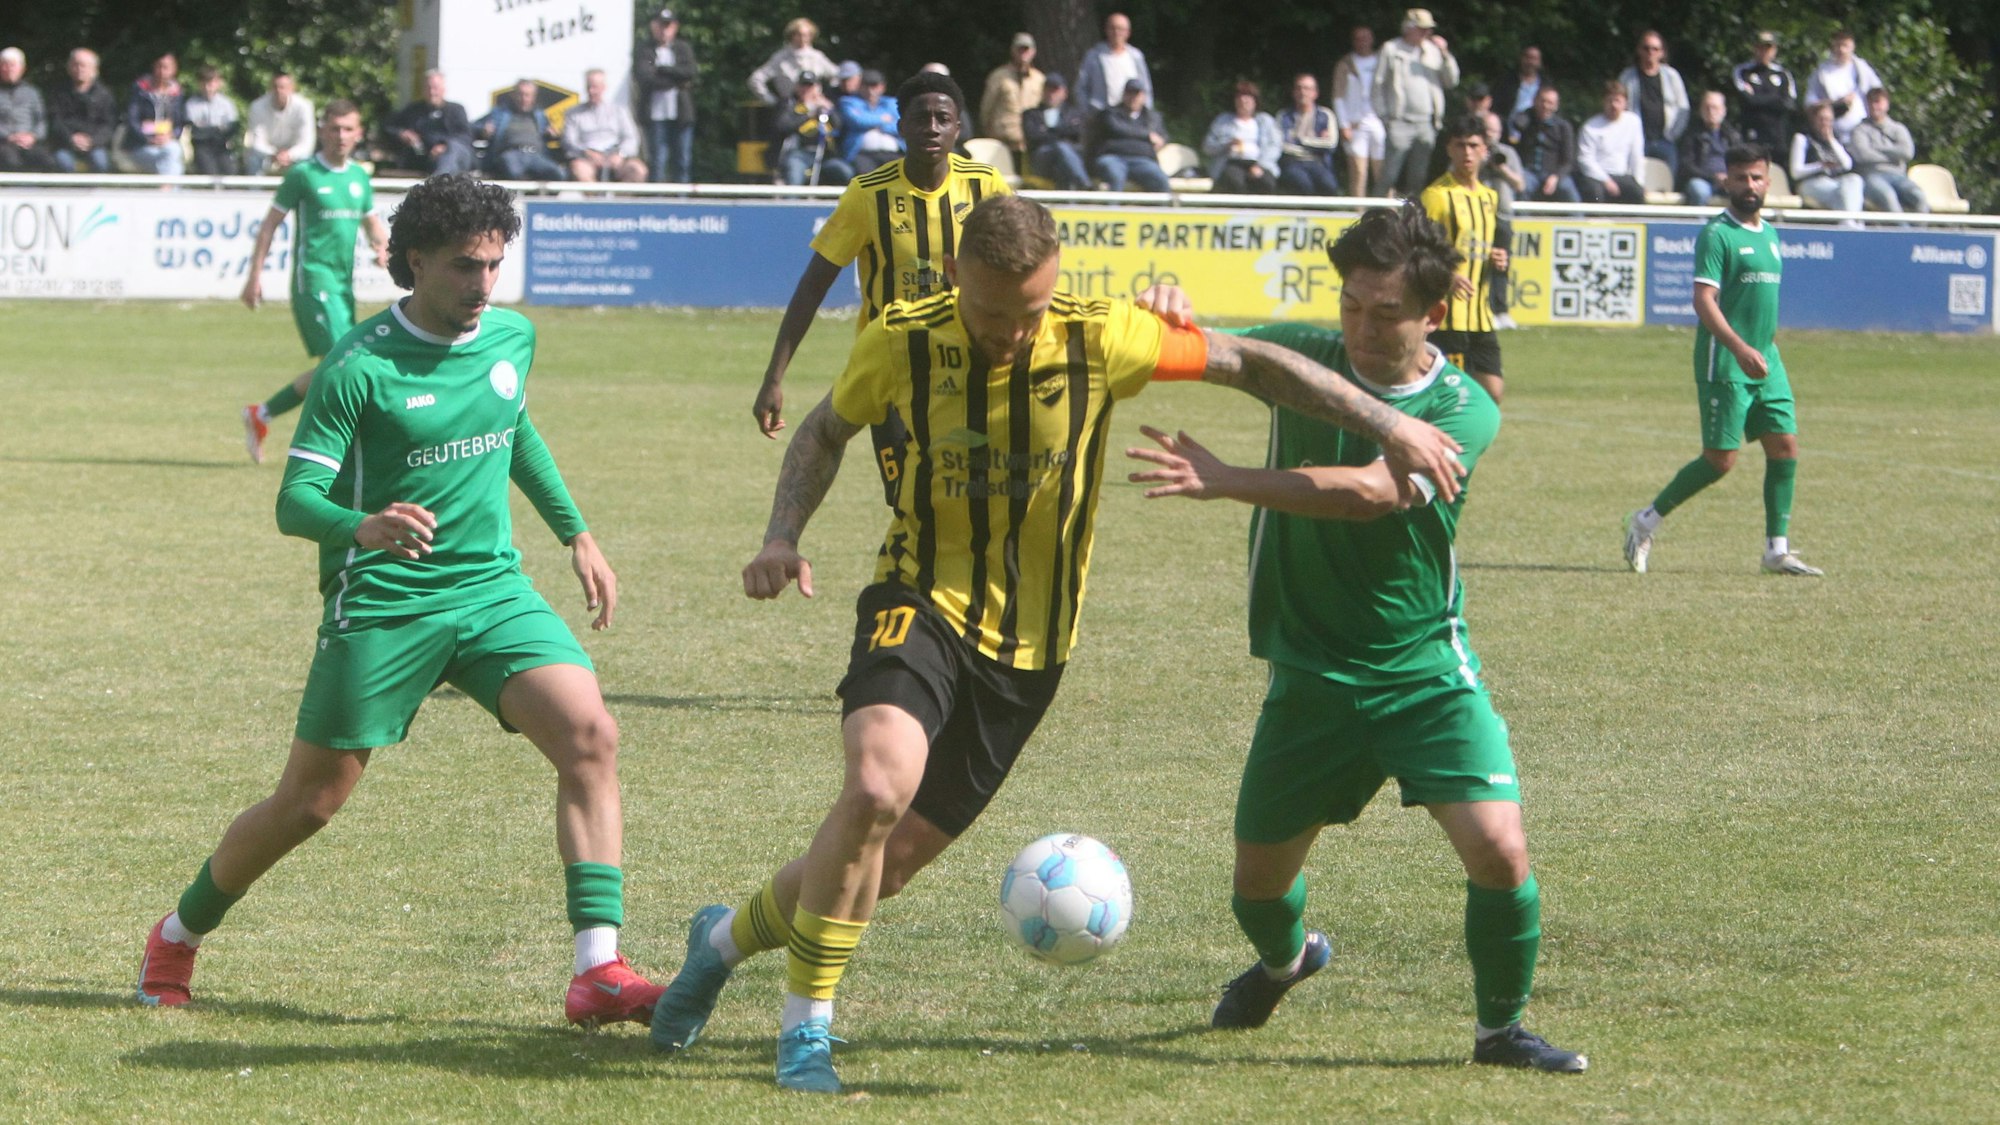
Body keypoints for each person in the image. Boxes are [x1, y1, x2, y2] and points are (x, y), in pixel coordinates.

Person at [650, 194, 1470, 1093]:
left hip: (1030, 651)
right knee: (876, 784)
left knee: (876, 869)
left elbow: (1250, 363)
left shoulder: (1099, 336)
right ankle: (806, 1029)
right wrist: (781, 535)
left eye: (1031, 310)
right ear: (957, 276)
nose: (1011, 332)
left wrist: (1389, 423)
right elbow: (823, 430)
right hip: (917, 596)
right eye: (993, 312)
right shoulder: (900, 337)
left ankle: (720, 943)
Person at [138, 173, 665, 1028]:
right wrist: (364, 525)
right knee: (309, 803)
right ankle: (177, 932)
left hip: (491, 589)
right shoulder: (359, 365)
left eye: (495, 265)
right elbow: (293, 505)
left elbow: (512, 424)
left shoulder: (510, 337)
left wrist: (577, 531)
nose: (483, 284)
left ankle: (597, 968)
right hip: (384, 600)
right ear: (412, 260)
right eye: (464, 266)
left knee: (591, 735)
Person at [1122, 202, 1584, 1076]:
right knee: (1256, 884)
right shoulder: (1316, 357)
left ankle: (1500, 1031)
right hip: (1309, 675)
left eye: (1386, 314)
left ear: (1434, 314)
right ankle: (1286, 960)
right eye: (1350, 307)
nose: (1362, 330)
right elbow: (1222, 352)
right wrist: (1167, 310)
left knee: (1500, 846)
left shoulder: (1462, 407)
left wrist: (1229, 480)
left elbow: (1370, 491)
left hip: (1424, 673)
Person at [751, 69, 1005, 481]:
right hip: (891, 367)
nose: (932, 127)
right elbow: (813, 286)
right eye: (921, 118)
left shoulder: (984, 185)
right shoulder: (869, 195)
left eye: (943, 119)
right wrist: (773, 378)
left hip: (967, 365)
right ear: (900, 126)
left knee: (966, 494)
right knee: (906, 495)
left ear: (958, 128)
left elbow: (1020, 264)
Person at [1624, 146, 1823, 578]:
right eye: (1740, 178)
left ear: (1768, 182)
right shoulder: (1717, 235)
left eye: (1756, 178)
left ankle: (1776, 550)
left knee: (1785, 447)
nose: (1748, 186)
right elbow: (1703, 300)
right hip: (1727, 361)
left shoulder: (1770, 234)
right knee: (1720, 460)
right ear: (1726, 182)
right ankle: (1645, 522)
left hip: (1766, 360)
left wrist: (1763, 347)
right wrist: (1739, 347)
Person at [238, 101, 390, 464]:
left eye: (348, 129)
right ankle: (343, 448)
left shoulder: (358, 178)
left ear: (358, 133)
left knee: (335, 367)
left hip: (343, 284)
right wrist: (254, 276)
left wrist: (383, 249)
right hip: (313, 280)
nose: (341, 136)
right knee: (348, 362)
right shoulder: (303, 174)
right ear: (322, 130)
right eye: (334, 128)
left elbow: (373, 226)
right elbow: (269, 225)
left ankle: (262, 414)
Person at [1421, 116, 1505, 402]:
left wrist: (1494, 256)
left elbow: (1476, 244)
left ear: (1485, 150)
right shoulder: (1436, 196)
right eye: (1460, 146)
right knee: (1453, 396)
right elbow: (1419, 249)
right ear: (1449, 149)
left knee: (1493, 392)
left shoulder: (1489, 197)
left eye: (1473, 145)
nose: (1467, 153)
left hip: (1481, 315)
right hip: (1448, 317)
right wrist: (1448, 275)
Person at [1373, 8, 1459, 199]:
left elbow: (1451, 81)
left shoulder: (1434, 51)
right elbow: (1377, 85)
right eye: (1422, 29)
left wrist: (1445, 53)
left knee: (1418, 176)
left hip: (1426, 123)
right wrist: (1385, 117)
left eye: (1428, 29)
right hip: (1399, 121)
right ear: (1408, 28)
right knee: (1388, 175)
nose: (1427, 33)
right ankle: (1373, 215)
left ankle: (1411, 220)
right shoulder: (1391, 49)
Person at [632, 8, 698, 183]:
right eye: (660, 26)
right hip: (654, 115)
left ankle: (682, 201)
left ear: (674, 27)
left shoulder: (683, 48)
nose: (664, 30)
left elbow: (690, 72)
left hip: (680, 113)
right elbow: (645, 78)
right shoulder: (644, 50)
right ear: (653, 27)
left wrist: (662, 70)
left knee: (683, 160)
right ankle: (657, 201)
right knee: (657, 160)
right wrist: (676, 82)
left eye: (667, 26)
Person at [1617, 30, 1689, 177]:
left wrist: (1672, 135)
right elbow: (1620, 106)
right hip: (1637, 140)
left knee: (1666, 185)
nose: (1650, 52)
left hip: (1665, 140)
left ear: (1662, 53)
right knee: (1637, 183)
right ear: (1639, 50)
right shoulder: (1627, 76)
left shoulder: (1672, 76)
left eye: (1655, 49)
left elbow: (1684, 108)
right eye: (1646, 48)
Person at [1848, 87, 1928, 214]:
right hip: (1871, 177)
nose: (1874, 106)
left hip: (1898, 176)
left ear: (1887, 104)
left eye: (1878, 102)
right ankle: (1903, 233)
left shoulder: (1898, 129)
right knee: (1888, 197)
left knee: (1919, 197)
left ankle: (1920, 233)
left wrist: (1876, 149)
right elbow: (1863, 156)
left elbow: (1907, 153)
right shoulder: (1859, 130)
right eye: (1871, 102)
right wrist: (1894, 155)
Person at [1478, 111, 1523, 329]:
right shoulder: (1474, 152)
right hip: (1479, 217)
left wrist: (1502, 168)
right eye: (1488, 131)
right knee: (1480, 265)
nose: (1491, 136)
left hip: (1503, 216)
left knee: (1502, 265)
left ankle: (1501, 310)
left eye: (1495, 131)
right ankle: (1483, 310)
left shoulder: (1508, 153)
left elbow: (1520, 184)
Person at [385, 69, 475, 176]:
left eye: (435, 88)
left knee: (451, 153)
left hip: (454, 155)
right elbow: (388, 127)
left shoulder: (456, 110)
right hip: (425, 157)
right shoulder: (414, 110)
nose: (432, 92)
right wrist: (402, 134)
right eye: (428, 88)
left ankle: (438, 182)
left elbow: (465, 137)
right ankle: (439, 183)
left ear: (443, 89)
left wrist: (445, 146)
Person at [565, 68, 646, 184]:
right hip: (587, 158)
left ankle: (621, 201)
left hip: (616, 156)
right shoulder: (574, 113)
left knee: (638, 170)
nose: (592, 91)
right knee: (579, 170)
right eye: (589, 87)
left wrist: (620, 154)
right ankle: (594, 202)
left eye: (595, 87)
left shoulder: (619, 111)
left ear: (604, 88)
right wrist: (586, 152)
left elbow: (631, 138)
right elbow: (569, 141)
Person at [768, 71, 849, 186]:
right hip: (798, 153)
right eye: (803, 86)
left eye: (810, 86)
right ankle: (791, 202)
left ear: (818, 88)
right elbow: (783, 126)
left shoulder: (825, 106)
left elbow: (838, 126)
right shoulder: (789, 104)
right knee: (794, 175)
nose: (806, 90)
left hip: (824, 155)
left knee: (845, 172)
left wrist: (829, 109)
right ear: (797, 87)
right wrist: (809, 110)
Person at [1088, 78, 1170, 192]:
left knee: (1160, 179)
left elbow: (1163, 136)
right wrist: (1148, 135)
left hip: (1143, 161)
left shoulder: (1152, 118)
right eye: (1129, 93)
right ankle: (1113, 209)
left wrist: (1162, 141)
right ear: (1124, 95)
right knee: (1115, 175)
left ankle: (1160, 209)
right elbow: (1118, 129)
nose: (1133, 98)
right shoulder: (1110, 114)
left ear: (1143, 97)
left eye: (1136, 94)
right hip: (1113, 158)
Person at [476, 79, 566, 182]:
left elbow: (553, 134)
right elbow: (473, 127)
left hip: (536, 156)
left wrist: (553, 134)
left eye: (527, 95)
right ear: (514, 95)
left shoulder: (540, 115)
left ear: (533, 97)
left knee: (557, 174)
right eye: (520, 94)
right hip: (511, 154)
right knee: (513, 171)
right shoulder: (499, 113)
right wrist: (484, 130)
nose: (523, 99)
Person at [1332, 25, 1385, 196]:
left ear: (1372, 39)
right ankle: (1358, 214)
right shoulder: (1345, 64)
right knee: (1358, 172)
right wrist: (1343, 124)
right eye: (1358, 38)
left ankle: (1390, 214)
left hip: (1379, 121)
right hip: (1355, 124)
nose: (1362, 42)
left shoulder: (1382, 61)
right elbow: (1338, 96)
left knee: (1383, 172)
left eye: (1366, 38)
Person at [1202, 80, 1281, 194]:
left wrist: (1260, 166)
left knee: (1266, 182)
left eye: (1248, 97)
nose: (1243, 101)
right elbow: (1207, 147)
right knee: (1234, 181)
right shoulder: (1222, 120)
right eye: (1239, 97)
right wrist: (1226, 145)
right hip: (1231, 162)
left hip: (1258, 162)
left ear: (1255, 101)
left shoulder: (1265, 121)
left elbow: (1274, 146)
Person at [1806, 30, 1881, 147]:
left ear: (1852, 47)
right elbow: (1810, 104)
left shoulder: (1862, 69)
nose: (1841, 50)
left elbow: (1879, 95)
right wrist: (1836, 103)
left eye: (1845, 45)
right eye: (1838, 45)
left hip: (1862, 130)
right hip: (1833, 131)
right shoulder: (1822, 72)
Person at [49, 48, 118, 174]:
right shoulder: (58, 92)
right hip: (65, 144)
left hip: (94, 144)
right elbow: (55, 121)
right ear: (69, 68)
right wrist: (71, 138)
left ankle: (96, 193)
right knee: (64, 164)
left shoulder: (104, 95)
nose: (79, 69)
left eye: (84, 65)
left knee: (100, 163)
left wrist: (92, 141)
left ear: (94, 70)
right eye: (75, 65)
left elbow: (109, 125)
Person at [1576, 82, 1645, 205]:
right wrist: (1606, 180)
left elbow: (1636, 156)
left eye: (1618, 101)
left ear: (1625, 103)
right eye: (1610, 101)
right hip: (1596, 177)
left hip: (1622, 175)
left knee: (1637, 192)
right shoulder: (1590, 127)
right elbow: (1585, 160)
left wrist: (1639, 182)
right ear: (1603, 102)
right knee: (1595, 194)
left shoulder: (1634, 122)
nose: (1614, 105)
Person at [1789, 100, 1862, 214]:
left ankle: (1848, 224)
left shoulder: (1833, 140)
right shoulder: (1802, 139)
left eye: (1829, 120)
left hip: (1833, 182)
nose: (1825, 123)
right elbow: (1795, 172)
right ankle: (1853, 226)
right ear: (1813, 120)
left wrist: (1831, 140)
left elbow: (1847, 165)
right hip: (1810, 183)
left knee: (1855, 180)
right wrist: (1821, 166)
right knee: (1843, 194)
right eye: (1821, 119)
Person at [978, 32, 1043, 162]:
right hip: (1003, 142)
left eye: (1026, 49)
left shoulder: (1039, 79)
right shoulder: (998, 76)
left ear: (1033, 52)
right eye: (1019, 49)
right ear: (1012, 51)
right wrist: (987, 131)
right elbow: (986, 108)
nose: (1023, 53)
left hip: (1029, 143)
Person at [1732, 30, 1796, 156]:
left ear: (1774, 50)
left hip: (1777, 135)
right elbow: (1747, 100)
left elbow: (1788, 104)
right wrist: (1776, 98)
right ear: (1754, 48)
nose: (1763, 52)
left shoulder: (1783, 74)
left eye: (1768, 47)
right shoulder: (1742, 71)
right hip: (1752, 133)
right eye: (1760, 47)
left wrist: (1757, 97)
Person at [1075, 12, 1152, 115]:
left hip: (1131, 117)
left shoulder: (1136, 56)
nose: (1116, 32)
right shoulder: (1094, 55)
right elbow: (1081, 87)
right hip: (1101, 116)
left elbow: (1145, 88)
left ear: (1127, 33)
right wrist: (1087, 112)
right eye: (1112, 28)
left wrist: (1146, 114)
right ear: (1106, 30)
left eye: (1120, 29)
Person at [1021, 73, 1088, 189]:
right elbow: (1033, 136)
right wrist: (1062, 133)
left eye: (1055, 90)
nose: (1051, 94)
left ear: (1064, 93)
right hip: (1041, 159)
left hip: (1066, 160)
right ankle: (1085, 185)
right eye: (1048, 90)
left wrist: (1049, 131)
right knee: (1061, 147)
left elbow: (1078, 133)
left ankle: (1069, 202)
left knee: (1062, 161)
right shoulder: (1030, 115)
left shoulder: (1074, 113)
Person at [749, 17, 837, 107]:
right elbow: (756, 80)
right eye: (799, 35)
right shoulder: (780, 58)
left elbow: (838, 76)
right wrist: (772, 101)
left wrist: (827, 96)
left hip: (815, 107)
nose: (803, 38)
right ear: (792, 35)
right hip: (790, 109)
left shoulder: (817, 57)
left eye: (807, 35)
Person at [1276, 73, 1340, 196]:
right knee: (1303, 185)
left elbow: (1331, 144)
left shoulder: (1326, 115)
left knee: (1329, 186)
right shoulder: (1283, 116)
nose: (1302, 92)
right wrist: (1316, 142)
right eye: (1299, 88)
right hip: (1292, 163)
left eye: (1307, 88)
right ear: (1294, 92)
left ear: (1315, 93)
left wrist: (1300, 141)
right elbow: (1282, 145)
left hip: (1318, 162)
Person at [124, 53, 186, 176]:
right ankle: (170, 192)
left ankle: (165, 192)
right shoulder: (140, 90)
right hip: (140, 146)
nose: (162, 71)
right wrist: (149, 139)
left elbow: (179, 123)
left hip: (167, 143)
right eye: (159, 67)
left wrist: (170, 136)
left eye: (166, 67)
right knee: (173, 157)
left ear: (174, 70)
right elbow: (132, 120)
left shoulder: (177, 94)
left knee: (172, 151)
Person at [1514, 86, 1578, 203]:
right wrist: (1531, 113)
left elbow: (1568, 161)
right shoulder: (1527, 119)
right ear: (1535, 101)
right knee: (1522, 187)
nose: (1545, 106)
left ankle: (1579, 220)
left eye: (1550, 103)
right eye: (1542, 101)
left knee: (1568, 190)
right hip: (1529, 171)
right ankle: (1524, 220)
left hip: (1553, 172)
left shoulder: (1563, 127)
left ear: (1556, 106)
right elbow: (1517, 123)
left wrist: (1556, 176)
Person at [244, 72, 315, 176]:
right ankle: (254, 192)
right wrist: (274, 154)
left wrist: (290, 155)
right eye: (275, 87)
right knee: (253, 158)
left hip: (295, 154)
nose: (278, 91)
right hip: (267, 154)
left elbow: (307, 143)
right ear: (270, 88)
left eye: (283, 87)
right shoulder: (257, 106)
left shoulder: (304, 107)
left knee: (306, 160)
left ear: (292, 89)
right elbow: (257, 141)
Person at [0, 47, 57, 173]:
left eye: (13, 65)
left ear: (22, 68)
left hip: (30, 141)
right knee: (10, 161)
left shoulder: (32, 93)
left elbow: (41, 120)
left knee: (48, 160)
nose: (9, 69)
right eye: (5, 65)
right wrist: (9, 137)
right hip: (3, 142)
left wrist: (33, 136)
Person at [838, 69, 902, 176]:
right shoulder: (849, 102)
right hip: (862, 155)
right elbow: (858, 121)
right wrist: (883, 119)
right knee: (869, 181)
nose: (870, 90)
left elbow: (901, 126)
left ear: (882, 87)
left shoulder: (892, 103)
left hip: (893, 154)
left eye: (874, 86)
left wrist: (881, 127)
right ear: (860, 86)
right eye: (866, 86)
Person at [183, 65, 240, 176]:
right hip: (201, 146)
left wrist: (208, 129)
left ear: (218, 83)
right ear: (198, 83)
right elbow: (195, 131)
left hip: (222, 146)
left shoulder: (227, 104)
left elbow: (233, 128)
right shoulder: (191, 104)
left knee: (231, 173)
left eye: (211, 83)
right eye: (204, 83)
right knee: (209, 173)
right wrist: (217, 129)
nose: (208, 87)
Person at [1492, 46, 1545, 139]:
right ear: (1521, 59)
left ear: (1539, 62)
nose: (1530, 62)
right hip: (1507, 131)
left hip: (1534, 133)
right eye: (1527, 57)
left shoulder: (1545, 85)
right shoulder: (1506, 81)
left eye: (1534, 59)